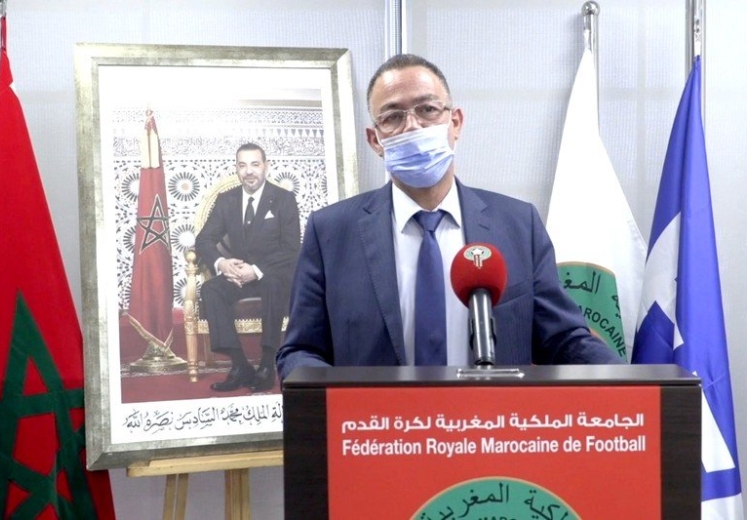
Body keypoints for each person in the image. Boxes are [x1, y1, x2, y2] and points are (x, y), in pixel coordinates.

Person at [275, 54, 623, 381]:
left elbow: (563, 339)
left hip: (491, 422)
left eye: (427, 110)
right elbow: (301, 351)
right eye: (392, 117)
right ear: (375, 140)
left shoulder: (519, 225)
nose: (412, 126)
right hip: (375, 424)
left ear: (455, 122)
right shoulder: (331, 233)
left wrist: (636, 385)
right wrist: (337, 404)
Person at [196, 143, 300, 392]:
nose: (249, 171)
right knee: (211, 289)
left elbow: (291, 248)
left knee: (273, 284)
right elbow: (204, 240)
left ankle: (267, 363)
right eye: (242, 165)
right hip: (238, 275)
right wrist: (222, 264)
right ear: (237, 169)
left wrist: (257, 269)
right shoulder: (227, 200)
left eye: (255, 164)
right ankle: (240, 364)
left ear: (266, 166)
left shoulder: (284, 199)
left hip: (272, 273)